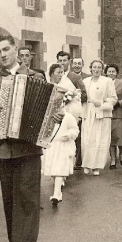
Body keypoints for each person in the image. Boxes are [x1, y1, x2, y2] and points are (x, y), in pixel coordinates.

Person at [0, 34, 49, 242]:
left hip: (28, 146)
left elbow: (48, 107)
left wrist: (55, 112)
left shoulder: (35, 76)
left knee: (28, 192)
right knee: (9, 194)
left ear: (16, 49)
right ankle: (15, 239)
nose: (3, 55)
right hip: (0, 147)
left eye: (6, 49)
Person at [43, 65, 81, 206]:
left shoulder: (67, 115)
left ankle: (57, 193)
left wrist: (69, 135)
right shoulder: (46, 86)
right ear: (51, 74)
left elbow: (74, 129)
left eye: (62, 72)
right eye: (57, 72)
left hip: (62, 137)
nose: (60, 75)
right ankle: (57, 187)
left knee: (59, 167)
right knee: (52, 167)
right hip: (50, 137)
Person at [81, 60, 118, 175]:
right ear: (90, 68)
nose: (96, 70)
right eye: (94, 67)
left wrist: (101, 103)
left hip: (102, 114)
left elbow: (113, 99)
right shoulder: (85, 81)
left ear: (102, 70)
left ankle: (97, 166)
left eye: (99, 67)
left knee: (100, 140)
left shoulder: (107, 81)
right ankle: (87, 164)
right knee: (87, 139)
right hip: (88, 114)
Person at [56, 51, 87, 170]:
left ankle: (77, 160)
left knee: (74, 135)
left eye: (64, 60)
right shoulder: (55, 75)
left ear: (69, 62)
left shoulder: (75, 77)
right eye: (60, 60)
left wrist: (71, 98)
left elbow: (84, 94)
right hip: (59, 111)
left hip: (73, 111)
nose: (62, 63)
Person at [105, 64, 122, 169]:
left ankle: (121, 154)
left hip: (120, 114)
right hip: (108, 114)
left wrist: (120, 103)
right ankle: (112, 159)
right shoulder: (104, 83)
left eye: (113, 71)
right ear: (106, 72)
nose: (111, 73)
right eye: (109, 71)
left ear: (116, 73)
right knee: (110, 138)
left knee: (120, 137)